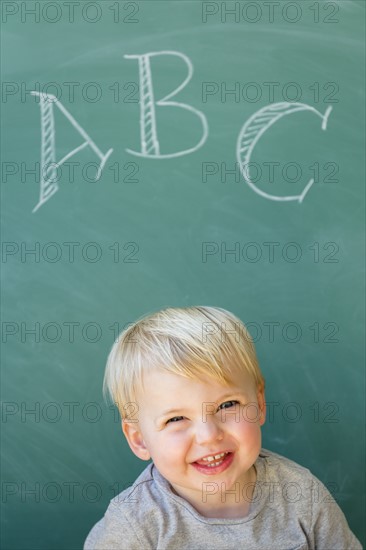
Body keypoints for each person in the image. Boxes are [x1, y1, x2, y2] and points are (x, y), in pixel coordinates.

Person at [84, 306, 362, 549]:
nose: (209, 435)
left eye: (227, 405)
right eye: (176, 419)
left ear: (260, 403)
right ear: (139, 439)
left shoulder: (301, 495)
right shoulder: (133, 525)